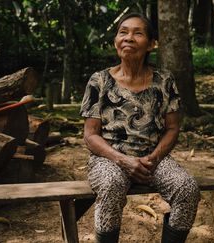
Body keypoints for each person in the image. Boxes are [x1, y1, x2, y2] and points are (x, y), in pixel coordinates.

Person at [80, 12, 200, 243]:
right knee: (111, 184)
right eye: (123, 32)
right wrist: (123, 160)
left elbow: (173, 128)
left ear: (152, 44)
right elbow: (90, 135)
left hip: (152, 160)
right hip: (108, 159)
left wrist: (153, 158)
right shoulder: (100, 81)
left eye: (138, 33)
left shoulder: (164, 80)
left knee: (187, 188)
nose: (129, 38)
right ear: (116, 41)